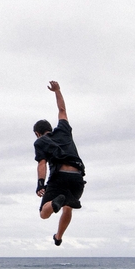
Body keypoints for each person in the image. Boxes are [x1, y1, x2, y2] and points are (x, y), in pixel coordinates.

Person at [34, 81, 86, 246]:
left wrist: (40, 184)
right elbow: (62, 110)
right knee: (67, 207)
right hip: (77, 178)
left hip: (60, 178)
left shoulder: (41, 141)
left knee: (44, 213)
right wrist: (57, 91)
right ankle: (58, 237)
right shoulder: (63, 129)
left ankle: (56, 201)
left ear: (37, 133)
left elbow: (41, 164)